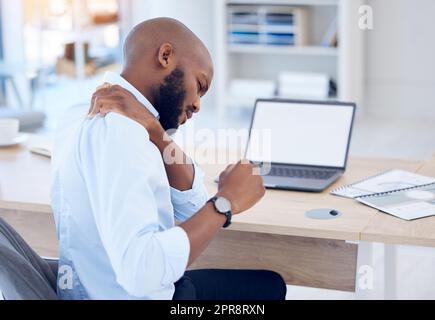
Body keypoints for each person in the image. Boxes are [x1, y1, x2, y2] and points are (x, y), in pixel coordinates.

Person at [51, 17, 286, 300]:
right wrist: (225, 203)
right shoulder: (121, 133)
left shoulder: (81, 113)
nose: (198, 104)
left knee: (269, 285)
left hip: (92, 289)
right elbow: (142, 273)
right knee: (267, 292)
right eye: (199, 85)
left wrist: (154, 129)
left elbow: (193, 207)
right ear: (165, 56)